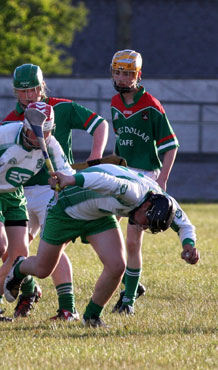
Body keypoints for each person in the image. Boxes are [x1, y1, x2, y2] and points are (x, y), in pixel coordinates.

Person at [4, 164, 199, 328]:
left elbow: (185, 225)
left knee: (117, 265)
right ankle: (19, 268)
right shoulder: (132, 192)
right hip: (67, 209)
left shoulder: (163, 201)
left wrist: (189, 246)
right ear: (147, 206)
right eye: (147, 222)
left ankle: (92, 317)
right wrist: (72, 179)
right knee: (43, 269)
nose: (144, 226)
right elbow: (104, 180)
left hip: (98, 215)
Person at [1, 63, 109, 320]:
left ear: (42, 88)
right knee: (12, 251)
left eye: (33, 90)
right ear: (15, 92)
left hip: (55, 190)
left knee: (53, 248)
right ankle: (30, 290)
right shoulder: (11, 120)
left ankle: (67, 308)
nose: (28, 97)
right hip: (22, 192)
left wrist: (95, 157)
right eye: (22, 92)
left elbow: (100, 125)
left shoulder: (61, 107)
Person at [0, 102, 75, 321]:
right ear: (25, 126)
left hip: (14, 194)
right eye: (33, 132)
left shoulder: (51, 145)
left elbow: (66, 174)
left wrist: (61, 181)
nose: (38, 138)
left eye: (44, 134)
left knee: (19, 256)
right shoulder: (6, 134)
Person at [109, 50, 180, 314]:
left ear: (138, 75)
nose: (123, 78)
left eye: (128, 74)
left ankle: (128, 300)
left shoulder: (151, 104)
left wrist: (161, 181)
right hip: (121, 175)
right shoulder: (115, 102)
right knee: (102, 233)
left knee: (132, 240)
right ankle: (132, 283)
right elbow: (120, 142)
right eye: (118, 72)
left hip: (146, 177)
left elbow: (171, 147)